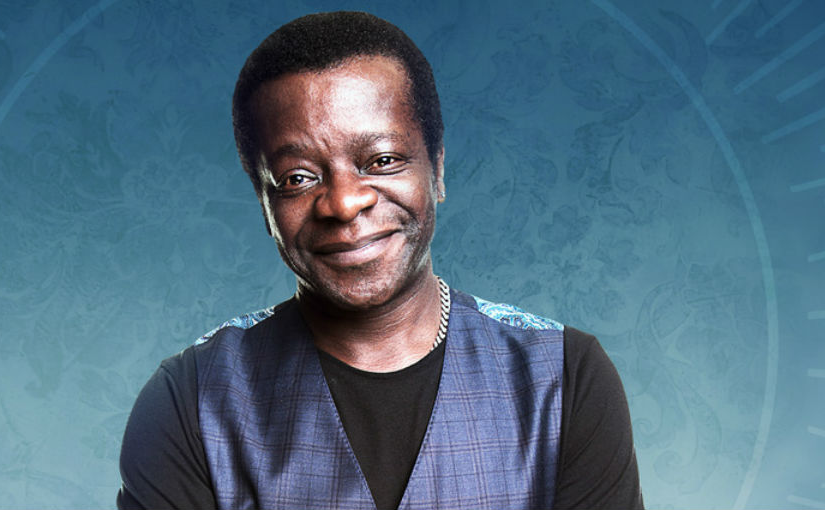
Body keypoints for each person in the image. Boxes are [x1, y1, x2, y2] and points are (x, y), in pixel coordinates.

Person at [117, 11, 643, 510]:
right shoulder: (189, 401)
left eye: (382, 160)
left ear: (437, 168)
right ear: (263, 199)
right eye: (298, 177)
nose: (344, 202)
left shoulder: (564, 376)